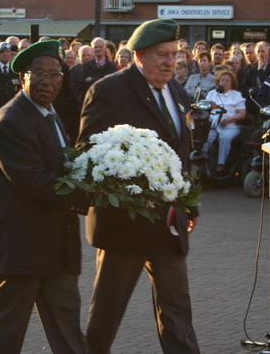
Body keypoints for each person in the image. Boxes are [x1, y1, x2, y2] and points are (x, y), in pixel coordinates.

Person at [78, 18, 200, 354]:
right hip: (124, 226)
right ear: (139, 55)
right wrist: (130, 177)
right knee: (106, 317)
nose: (170, 62)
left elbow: (182, 157)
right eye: (163, 54)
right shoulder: (108, 90)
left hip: (168, 225)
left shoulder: (177, 91)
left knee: (178, 312)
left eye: (175, 55)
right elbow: (87, 153)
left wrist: (189, 204)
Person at [0, 39, 89, 354]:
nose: (47, 82)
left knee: (69, 334)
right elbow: (35, 182)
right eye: (39, 74)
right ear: (22, 77)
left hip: (57, 249)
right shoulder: (11, 120)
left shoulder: (50, 115)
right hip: (21, 250)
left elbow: (62, 166)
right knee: (7, 335)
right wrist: (89, 197)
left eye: (55, 74)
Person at [205, 69, 246, 175]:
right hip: (213, 125)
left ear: (232, 83)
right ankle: (202, 161)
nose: (224, 82)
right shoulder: (212, 94)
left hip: (231, 126)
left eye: (227, 80)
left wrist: (230, 119)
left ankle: (221, 164)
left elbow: (242, 113)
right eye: (222, 80)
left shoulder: (236, 95)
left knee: (225, 138)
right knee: (205, 137)